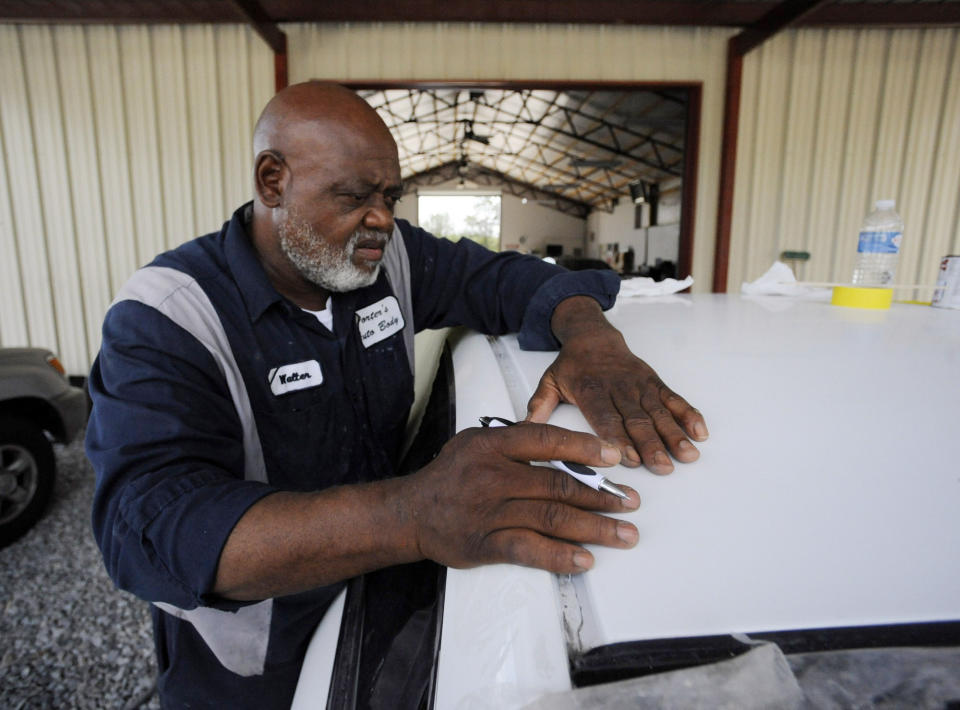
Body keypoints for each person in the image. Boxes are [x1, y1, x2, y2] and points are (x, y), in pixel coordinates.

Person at [86, 82, 708, 708]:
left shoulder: (387, 261)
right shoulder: (167, 318)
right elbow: (147, 527)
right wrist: (413, 514)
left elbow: (507, 277)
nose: (382, 218)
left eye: (389, 196)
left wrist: (592, 335)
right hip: (253, 668)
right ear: (273, 181)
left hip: (384, 626)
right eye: (354, 196)